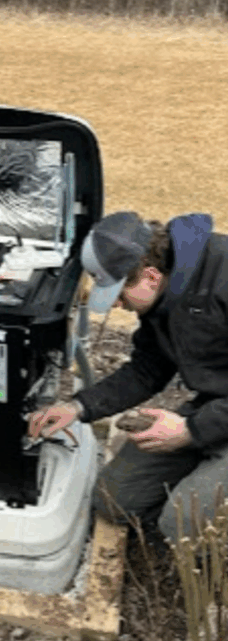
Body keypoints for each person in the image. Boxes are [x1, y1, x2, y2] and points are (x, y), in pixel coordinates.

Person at [28, 211, 228, 545]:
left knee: (182, 526)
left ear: (150, 276)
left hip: (214, 417)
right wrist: (77, 407)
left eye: (119, 294)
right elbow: (147, 369)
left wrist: (191, 431)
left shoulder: (221, 278)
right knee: (115, 500)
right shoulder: (166, 294)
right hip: (216, 410)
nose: (118, 305)